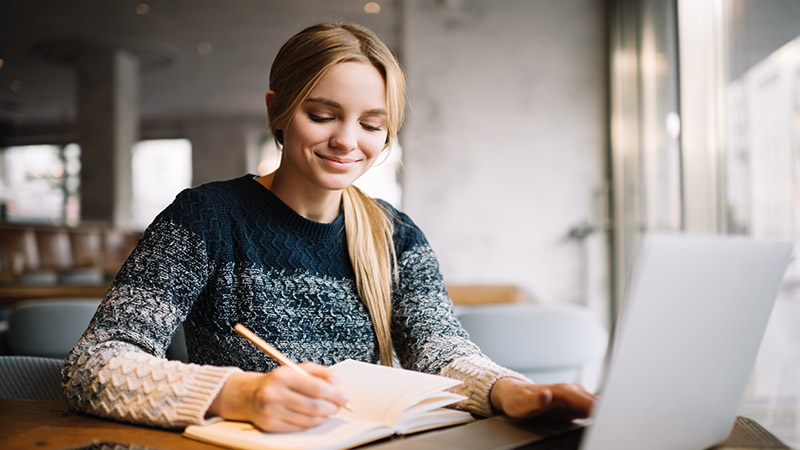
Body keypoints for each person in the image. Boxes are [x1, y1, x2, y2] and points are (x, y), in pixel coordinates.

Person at [62, 22, 594, 433]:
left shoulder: (397, 235)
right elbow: (94, 366)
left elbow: (441, 349)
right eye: (322, 115)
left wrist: (508, 391)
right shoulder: (205, 218)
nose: (347, 141)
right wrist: (240, 394)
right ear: (278, 110)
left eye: (371, 124)